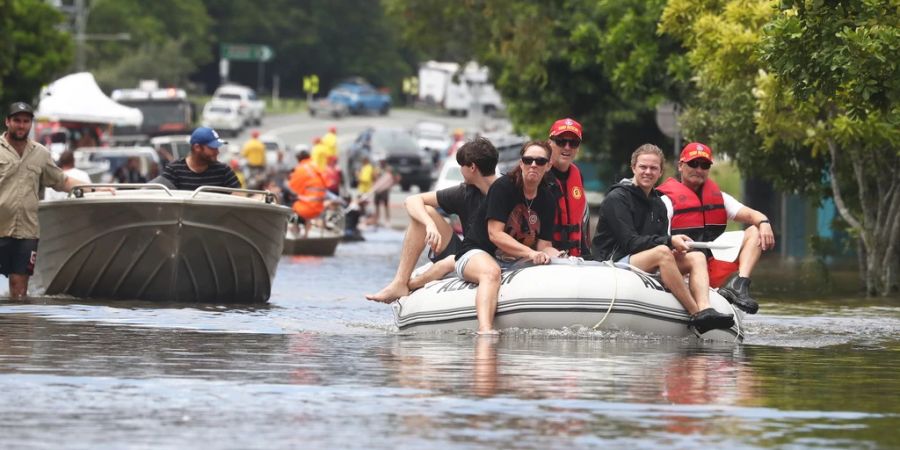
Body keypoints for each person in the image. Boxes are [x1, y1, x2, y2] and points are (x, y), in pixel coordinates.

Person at [591, 144, 734, 334]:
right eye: (643, 167)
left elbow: (657, 238)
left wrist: (675, 247)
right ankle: (696, 314)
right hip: (614, 262)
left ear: (660, 172)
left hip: (644, 261)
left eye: (653, 168)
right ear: (633, 167)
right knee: (663, 252)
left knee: (696, 255)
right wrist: (669, 241)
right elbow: (630, 243)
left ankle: (706, 308)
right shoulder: (617, 198)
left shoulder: (658, 203)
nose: (647, 172)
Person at [365, 137, 499, 303]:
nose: (460, 171)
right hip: (467, 253)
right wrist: (430, 225)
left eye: (461, 166)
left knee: (448, 263)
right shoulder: (465, 192)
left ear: (472, 167)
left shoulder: (508, 191)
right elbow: (412, 200)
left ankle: (412, 283)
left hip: (494, 258)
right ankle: (400, 282)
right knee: (425, 212)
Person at [455, 140, 562, 335]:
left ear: (548, 166)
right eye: (528, 160)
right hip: (477, 251)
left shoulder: (548, 199)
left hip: (514, 259)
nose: (533, 165)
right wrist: (531, 253)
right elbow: (495, 234)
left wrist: (555, 255)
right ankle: (485, 329)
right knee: (491, 273)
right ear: (521, 163)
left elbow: (544, 245)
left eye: (540, 161)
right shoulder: (503, 187)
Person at [656, 142, 775, 314]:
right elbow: (659, 246)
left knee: (755, 231)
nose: (698, 169)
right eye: (693, 163)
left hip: (711, 267)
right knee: (685, 257)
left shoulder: (720, 198)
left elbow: (752, 215)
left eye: (704, 165)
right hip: (680, 267)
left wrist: (764, 223)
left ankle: (739, 285)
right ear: (681, 166)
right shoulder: (665, 201)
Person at [1, 102, 95, 299]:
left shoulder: (40, 153)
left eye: (26, 121)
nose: (21, 125)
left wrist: (94, 189)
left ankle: (16, 328)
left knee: (19, 291)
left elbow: (61, 180)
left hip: (27, 231)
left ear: (31, 124)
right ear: (7, 122)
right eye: (17, 120)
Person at [546, 118, 591, 257]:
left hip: (575, 259)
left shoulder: (577, 176)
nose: (567, 147)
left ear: (578, 148)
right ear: (549, 143)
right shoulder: (539, 174)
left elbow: (582, 224)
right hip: (545, 258)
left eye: (573, 143)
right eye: (560, 141)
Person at [155, 127, 240, 191]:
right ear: (197, 147)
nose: (217, 152)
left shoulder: (224, 171)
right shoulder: (174, 170)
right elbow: (157, 193)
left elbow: (239, 197)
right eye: (212, 148)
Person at [287, 150, 328, 238]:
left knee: (291, 206)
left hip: (308, 206)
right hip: (320, 205)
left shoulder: (301, 169)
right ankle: (306, 234)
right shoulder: (315, 165)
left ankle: (295, 229)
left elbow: (292, 187)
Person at [368, 159, 397, 227]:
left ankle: (387, 220)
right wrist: (375, 176)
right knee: (377, 205)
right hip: (378, 189)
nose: (381, 163)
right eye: (381, 162)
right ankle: (377, 219)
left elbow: (396, 177)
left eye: (383, 162)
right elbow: (373, 177)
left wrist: (391, 184)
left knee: (385, 205)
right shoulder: (377, 169)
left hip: (385, 190)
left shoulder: (389, 169)